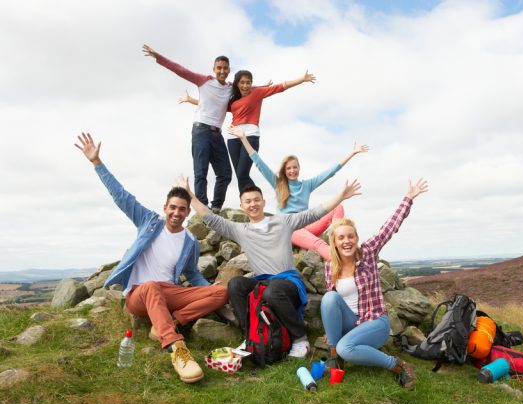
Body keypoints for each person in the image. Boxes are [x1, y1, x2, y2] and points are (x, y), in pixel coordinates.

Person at [74, 132, 228, 384]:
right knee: (151, 286)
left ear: (188, 212)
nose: (176, 213)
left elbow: (192, 274)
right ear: (165, 207)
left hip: (168, 293)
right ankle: (177, 349)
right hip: (139, 295)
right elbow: (121, 196)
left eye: (182, 209)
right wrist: (97, 163)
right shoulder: (149, 222)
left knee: (222, 293)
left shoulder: (190, 241)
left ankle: (168, 323)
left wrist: (208, 289)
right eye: (172, 207)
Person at [176, 175, 361, 358]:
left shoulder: (283, 222)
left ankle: (300, 339)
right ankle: (251, 337)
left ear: (263, 202)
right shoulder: (240, 230)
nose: (253, 204)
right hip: (263, 282)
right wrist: (189, 193)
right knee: (235, 285)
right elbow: (210, 218)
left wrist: (341, 196)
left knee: (271, 291)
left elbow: (313, 213)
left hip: (288, 283)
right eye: (248, 201)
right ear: (242, 206)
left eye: (256, 200)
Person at [321, 178, 429, 390]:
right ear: (334, 242)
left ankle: (397, 365)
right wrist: (331, 331)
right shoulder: (330, 266)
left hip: (375, 322)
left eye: (350, 236)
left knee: (346, 347)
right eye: (341, 238)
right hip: (351, 322)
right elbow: (332, 307)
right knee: (329, 297)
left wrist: (408, 198)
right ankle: (335, 356)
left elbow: (389, 228)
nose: (347, 241)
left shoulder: (368, 253)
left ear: (356, 238)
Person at [227, 126, 368, 261]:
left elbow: (330, 172)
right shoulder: (278, 184)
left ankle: (338, 238)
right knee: (318, 244)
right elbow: (258, 162)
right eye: (289, 168)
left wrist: (351, 153)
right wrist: (244, 139)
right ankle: (344, 260)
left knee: (338, 207)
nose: (292, 170)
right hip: (289, 228)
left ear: (299, 168)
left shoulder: (307, 185)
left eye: (295, 167)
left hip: (306, 224)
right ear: (284, 170)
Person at [181, 69, 315, 193]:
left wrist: (301, 79)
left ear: (252, 83)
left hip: (250, 135)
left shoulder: (257, 93)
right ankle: (247, 203)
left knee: (242, 174)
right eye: (242, 82)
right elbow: (212, 106)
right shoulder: (233, 99)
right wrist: (189, 100)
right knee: (240, 176)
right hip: (233, 138)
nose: (245, 85)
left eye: (248, 82)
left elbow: (281, 87)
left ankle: (257, 198)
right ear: (237, 84)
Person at [142, 44, 233, 212]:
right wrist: (159, 57)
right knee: (201, 171)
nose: (222, 71)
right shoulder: (204, 81)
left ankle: (216, 208)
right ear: (214, 69)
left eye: (225, 68)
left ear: (229, 70)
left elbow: (248, 90)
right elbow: (180, 70)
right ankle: (202, 208)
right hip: (201, 131)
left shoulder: (230, 88)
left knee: (225, 173)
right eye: (219, 68)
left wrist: (265, 88)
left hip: (217, 133)